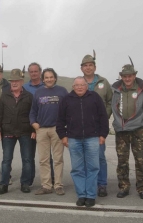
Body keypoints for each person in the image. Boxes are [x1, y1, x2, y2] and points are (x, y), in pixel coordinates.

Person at [56, 77, 109, 207]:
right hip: (74, 139)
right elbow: (60, 120)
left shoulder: (95, 97)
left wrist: (103, 135)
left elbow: (103, 117)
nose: (79, 87)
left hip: (92, 138)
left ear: (86, 86)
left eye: (82, 85)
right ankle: (81, 195)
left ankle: (90, 196)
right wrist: (63, 136)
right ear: (73, 87)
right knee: (77, 169)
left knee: (93, 167)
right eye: (77, 85)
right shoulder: (67, 99)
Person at [111, 64, 143, 199]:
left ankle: (142, 188)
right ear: (121, 77)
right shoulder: (116, 90)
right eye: (125, 76)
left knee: (140, 160)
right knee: (122, 161)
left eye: (130, 76)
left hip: (138, 131)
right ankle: (124, 187)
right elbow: (112, 106)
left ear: (134, 76)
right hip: (121, 130)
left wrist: (140, 121)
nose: (127, 78)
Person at [0, 69, 35, 194]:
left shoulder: (29, 96)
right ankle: (4, 184)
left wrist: (34, 130)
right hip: (8, 131)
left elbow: (33, 114)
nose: (14, 83)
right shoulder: (4, 95)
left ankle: (25, 183)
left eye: (17, 80)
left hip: (25, 131)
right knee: (6, 160)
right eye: (12, 81)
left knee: (27, 159)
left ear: (22, 82)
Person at [29, 68, 68, 195]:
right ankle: (46, 186)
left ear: (55, 78)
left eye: (51, 77)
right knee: (43, 159)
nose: (49, 79)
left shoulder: (62, 91)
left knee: (58, 159)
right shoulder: (38, 92)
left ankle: (58, 185)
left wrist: (65, 126)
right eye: (46, 77)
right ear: (43, 79)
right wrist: (34, 123)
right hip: (42, 130)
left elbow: (69, 109)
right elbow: (33, 111)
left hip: (57, 130)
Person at [80, 51, 112, 197]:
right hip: (83, 127)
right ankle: (89, 183)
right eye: (85, 65)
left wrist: (105, 116)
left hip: (99, 127)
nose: (88, 68)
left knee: (99, 156)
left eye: (90, 65)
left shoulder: (103, 83)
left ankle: (102, 184)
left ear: (95, 66)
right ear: (82, 68)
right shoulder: (78, 82)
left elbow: (111, 101)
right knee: (86, 157)